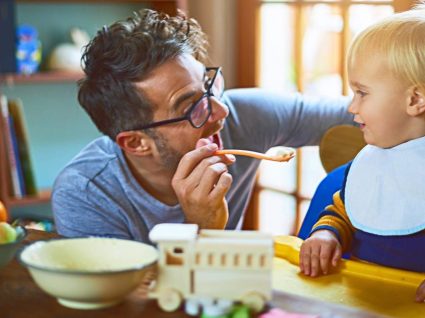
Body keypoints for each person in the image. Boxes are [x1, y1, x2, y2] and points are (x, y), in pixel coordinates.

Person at [52, 9, 353, 244]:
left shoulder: (245, 115)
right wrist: (204, 227)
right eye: (190, 107)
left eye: (209, 85)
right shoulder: (85, 194)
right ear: (136, 143)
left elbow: (361, 113)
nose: (221, 110)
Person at [298, 5, 425, 303]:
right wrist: (327, 235)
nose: (351, 107)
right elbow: (346, 209)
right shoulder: (371, 161)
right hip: (360, 298)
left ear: (415, 99)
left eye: (362, 93)